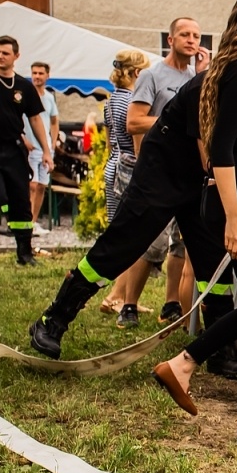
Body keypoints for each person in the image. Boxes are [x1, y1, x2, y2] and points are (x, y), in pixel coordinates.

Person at [32, 0, 237, 443]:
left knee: (211, 264)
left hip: (207, 176)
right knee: (125, 243)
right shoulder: (226, 72)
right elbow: (213, 143)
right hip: (168, 165)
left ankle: (210, 353)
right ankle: (56, 316)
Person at [129, 16, 206, 321]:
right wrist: (173, 122)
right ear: (170, 40)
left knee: (181, 246)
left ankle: (171, 303)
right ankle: (129, 304)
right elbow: (134, 122)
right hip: (157, 170)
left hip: (186, 173)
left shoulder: (195, 77)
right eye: (184, 34)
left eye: (197, 35)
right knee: (151, 242)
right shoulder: (152, 75)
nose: (192, 40)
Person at [0, 35, 51, 266]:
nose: (0, 56)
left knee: (20, 201)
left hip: (15, 151)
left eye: (5, 53)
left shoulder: (24, 86)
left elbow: (36, 119)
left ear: (16, 56)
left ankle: (24, 254)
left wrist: (46, 151)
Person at [101, 50, 155, 329]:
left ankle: (117, 295)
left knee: (120, 232)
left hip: (113, 165)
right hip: (130, 168)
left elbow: (111, 139)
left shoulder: (112, 100)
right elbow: (137, 139)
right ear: (137, 73)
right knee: (132, 236)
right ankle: (117, 297)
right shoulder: (133, 101)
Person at [24, 61, 57, 233]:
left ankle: (34, 222)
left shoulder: (50, 97)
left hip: (45, 149)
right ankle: (27, 222)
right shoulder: (25, 94)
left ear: (47, 75)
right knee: (32, 185)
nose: (37, 76)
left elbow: (54, 120)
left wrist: (52, 141)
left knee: (42, 185)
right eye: (34, 73)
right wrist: (22, 138)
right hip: (30, 147)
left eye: (40, 73)